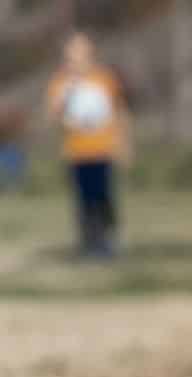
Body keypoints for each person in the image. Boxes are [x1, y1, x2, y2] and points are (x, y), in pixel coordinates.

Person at [46, 31, 129, 258]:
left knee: (103, 196)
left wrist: (122, 142)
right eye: (72, 51)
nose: (77, 56)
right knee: (83, 200)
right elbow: (54, 116)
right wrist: (70, 90)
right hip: (76, 151)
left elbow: (119, 111)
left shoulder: (104, 78)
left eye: (81, 50)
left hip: (102, 148)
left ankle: (107, 241)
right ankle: (89, 244)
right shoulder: (61, 81)